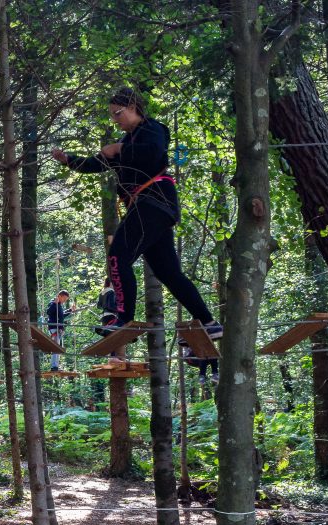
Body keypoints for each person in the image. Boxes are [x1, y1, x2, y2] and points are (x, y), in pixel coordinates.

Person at [52, 87, 221, 340]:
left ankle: (124, 319)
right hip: (150, 208)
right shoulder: (126, 141)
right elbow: (98, 163)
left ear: (132, 108)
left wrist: (119, 150)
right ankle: (209, 323)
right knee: (168, 273)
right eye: (112, 115)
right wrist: (69, 160)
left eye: (117, 113)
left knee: (118, 256)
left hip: (153, 201)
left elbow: (152, 153)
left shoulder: (153, 128)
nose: (115, 119)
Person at [45, 290, 76, 371]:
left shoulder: (59, 305)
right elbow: (48, 312)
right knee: (56, 347)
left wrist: (70, 310)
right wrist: (55, 303)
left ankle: (55, 366)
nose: (64, 301)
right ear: (59, 296)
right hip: (54, 328)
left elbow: (61, 315)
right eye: (64, 299)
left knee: (58, 347)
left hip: (58, 328)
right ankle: (54, 366)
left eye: (66, 299)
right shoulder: (53, 302)